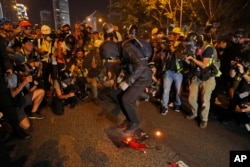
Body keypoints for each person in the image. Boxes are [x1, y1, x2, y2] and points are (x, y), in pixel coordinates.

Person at [118, 24, 152, 134]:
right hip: (138, 74)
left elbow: (141, 65)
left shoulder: (127, 46)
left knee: (126, 99)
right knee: (122, 97)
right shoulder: (137, 44)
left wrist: (128, 82)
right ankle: (129, 119)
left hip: (141, 77)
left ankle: (135, 122)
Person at [184, 32, 217, 129]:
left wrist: (192, 59)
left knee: (205, 101)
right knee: (191, 97)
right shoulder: (194, 49)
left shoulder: (208, 48)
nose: (190, 46)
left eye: (191, 43)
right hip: (197, 75)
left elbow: (204, 65)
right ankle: (194, 113)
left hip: (208, 77)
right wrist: (187, 59)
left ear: (196, 42)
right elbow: (191, 64)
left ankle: (204, 119)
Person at [160, 27, 185, 115]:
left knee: (178, 90)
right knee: (166, 89)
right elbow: (164, 51)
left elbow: (180, 55)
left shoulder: (182, 45)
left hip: (178, 72)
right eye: (172, 35)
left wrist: (173, 48)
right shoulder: (168, 44)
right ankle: (164, 106)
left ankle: (178, 104)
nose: (171, 36)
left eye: (174, 35)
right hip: (168, 70)